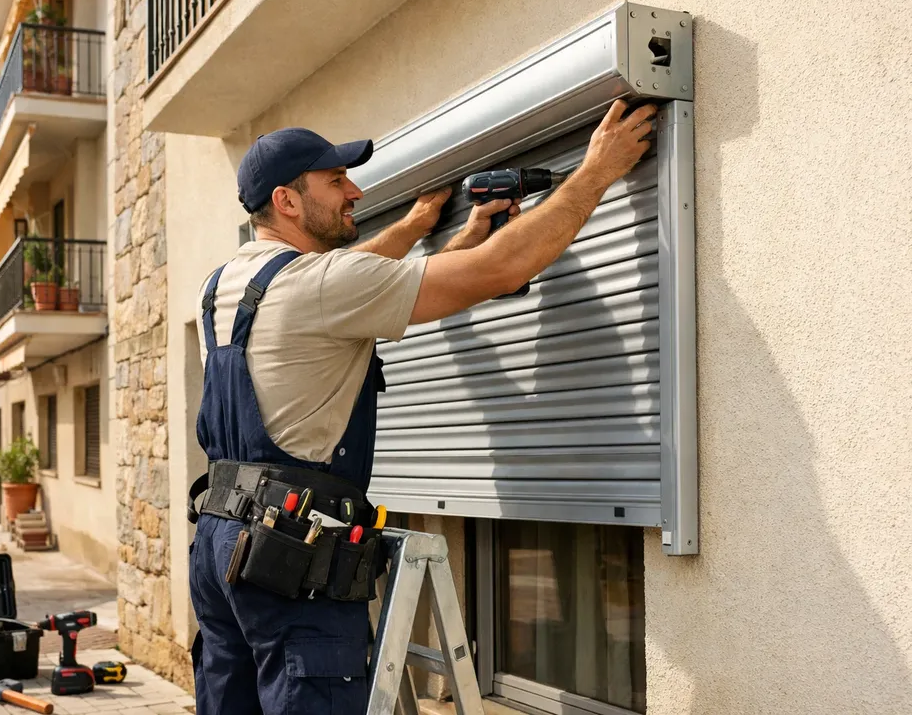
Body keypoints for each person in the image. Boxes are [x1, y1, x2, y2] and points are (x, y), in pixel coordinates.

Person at [188, 100, 658, 714]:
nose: (353, 190)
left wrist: (426, 230)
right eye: (335, 182)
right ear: (288, 201)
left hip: (222, 541)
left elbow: (349, 283)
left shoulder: (226, 285)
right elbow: (501, 267)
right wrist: (597, 168)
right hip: (289, 558)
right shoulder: (321, 284)